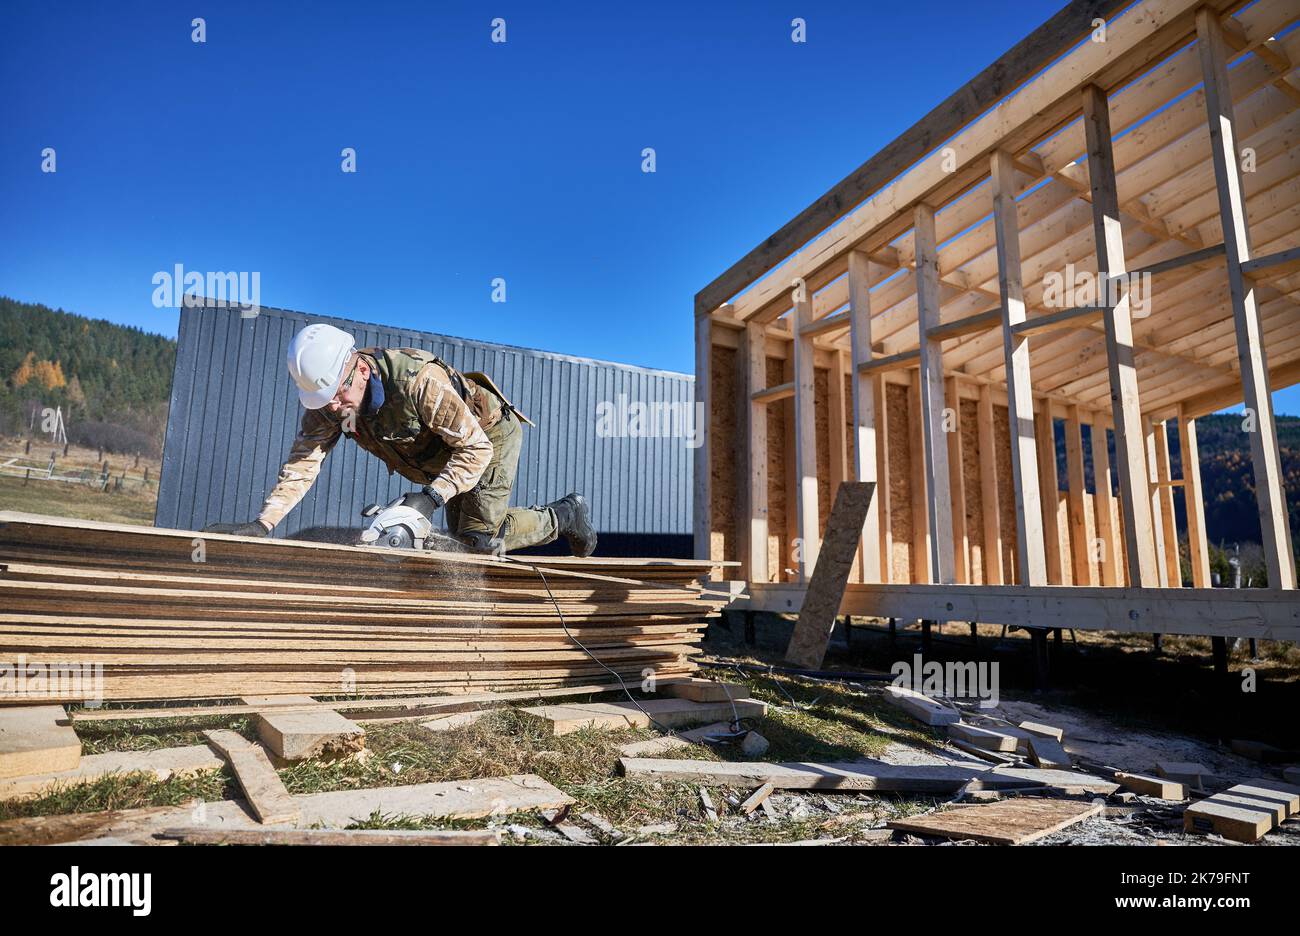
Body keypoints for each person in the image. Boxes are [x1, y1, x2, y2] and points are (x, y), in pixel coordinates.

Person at [228, 322, 597, 556]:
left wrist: (432, 497)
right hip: (443, 458)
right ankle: (531, 521)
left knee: (477, 541)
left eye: (340, 394)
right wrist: (265, 524)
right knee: (458, 544)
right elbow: (303, 464)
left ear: (358, 368)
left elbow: (475, 448)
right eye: (326, 401)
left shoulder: (416, 382)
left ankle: (564, 515)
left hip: (487, 436)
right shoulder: (328, 402)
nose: (336, 407)